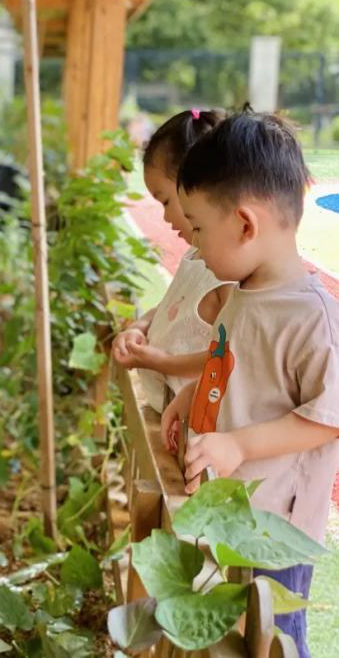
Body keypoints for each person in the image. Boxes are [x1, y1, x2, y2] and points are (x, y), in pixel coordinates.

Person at [160, 109, 339, 658]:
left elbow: (325, 418)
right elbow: (226, 359)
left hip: (277, 527)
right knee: (233, 629)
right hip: (232, 507)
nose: (192, 242)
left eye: (197, 228)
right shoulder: (242, 294)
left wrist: (239, 443)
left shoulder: (313, 317)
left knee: (277, 640)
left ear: (243, 224)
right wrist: (189, 397)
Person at [112, 109, 234, 412]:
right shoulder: (197, 256)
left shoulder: (228, 273)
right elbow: (171, 304)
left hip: (196, 429)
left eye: (167, 201)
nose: (165, 217)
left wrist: (160, 361)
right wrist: (139, 326)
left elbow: (232, 357)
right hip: (168, 414)